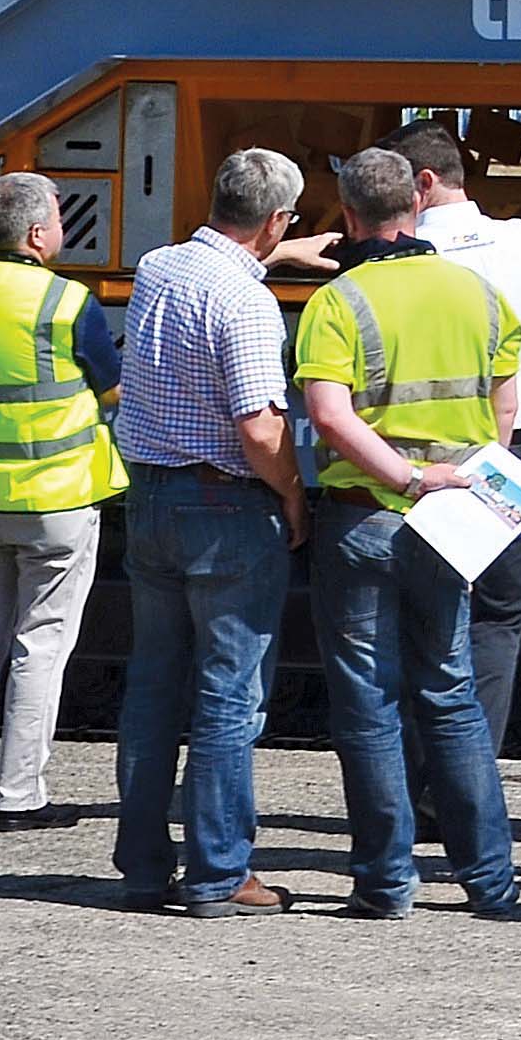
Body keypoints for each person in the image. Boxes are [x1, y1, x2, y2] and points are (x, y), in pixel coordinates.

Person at [289, 147, 521, 919]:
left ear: (350, 218)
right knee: (450, 692)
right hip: (450, 522)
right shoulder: (480, 297)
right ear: (416, 210)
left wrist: (404, 477)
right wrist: (459, 482)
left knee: (368, 705)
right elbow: (506, 411)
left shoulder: (338, 302)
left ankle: (388, 883)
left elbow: (329, 414)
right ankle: (490, 880)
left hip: (365, 517)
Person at [109, 148, 310, 916]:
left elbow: (219, 259)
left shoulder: (160, 266)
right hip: (226, 508)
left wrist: (278, 249)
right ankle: (219, 873)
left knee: (154, 687)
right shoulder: (249, 304)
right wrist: (292, 494)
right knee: (228, 695)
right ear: (275, 220)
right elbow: (258, 426)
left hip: (152, 498)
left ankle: (140, 867)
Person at [0, 171, 125, 829]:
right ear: (38, 234)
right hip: (56, 499)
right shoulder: (68, 303)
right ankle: (19, 796)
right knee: (40, 643)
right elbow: (112, 387)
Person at [386, 119, 521, 753]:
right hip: (499, 456)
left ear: (423, 183)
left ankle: (415, 772)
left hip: (411, 462)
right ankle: (469, 774)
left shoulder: (394, 257)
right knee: (499, 617)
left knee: (419, 620)